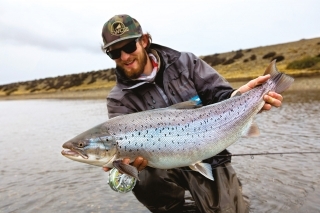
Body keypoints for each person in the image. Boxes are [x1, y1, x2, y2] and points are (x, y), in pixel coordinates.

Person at [101, 14, 283, 213]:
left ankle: (228, 195)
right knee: (140, 176)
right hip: (162, 170)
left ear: (144, 41)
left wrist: (241, 96)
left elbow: (218, 95)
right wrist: (122, 166)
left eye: (129, 47)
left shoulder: (186, 63)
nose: (125, 57)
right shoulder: (118, 99)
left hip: (208, 155)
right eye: (115, 53)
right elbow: (122, 153)